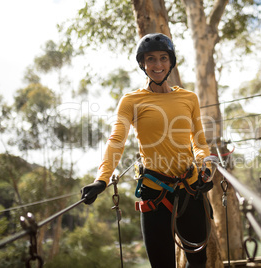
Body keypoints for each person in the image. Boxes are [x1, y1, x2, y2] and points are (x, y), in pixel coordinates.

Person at [81, 33, 215, 268]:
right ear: (143, 64)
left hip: (190, 189)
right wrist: (102, 180)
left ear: (171, 62)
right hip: (155, 193)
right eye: (151, 59)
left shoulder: (189, 98)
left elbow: (200, 142)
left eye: (163, 58)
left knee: (199, 263)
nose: (158, 65)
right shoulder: (131, 101)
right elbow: (116, 141)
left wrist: (205, 167)